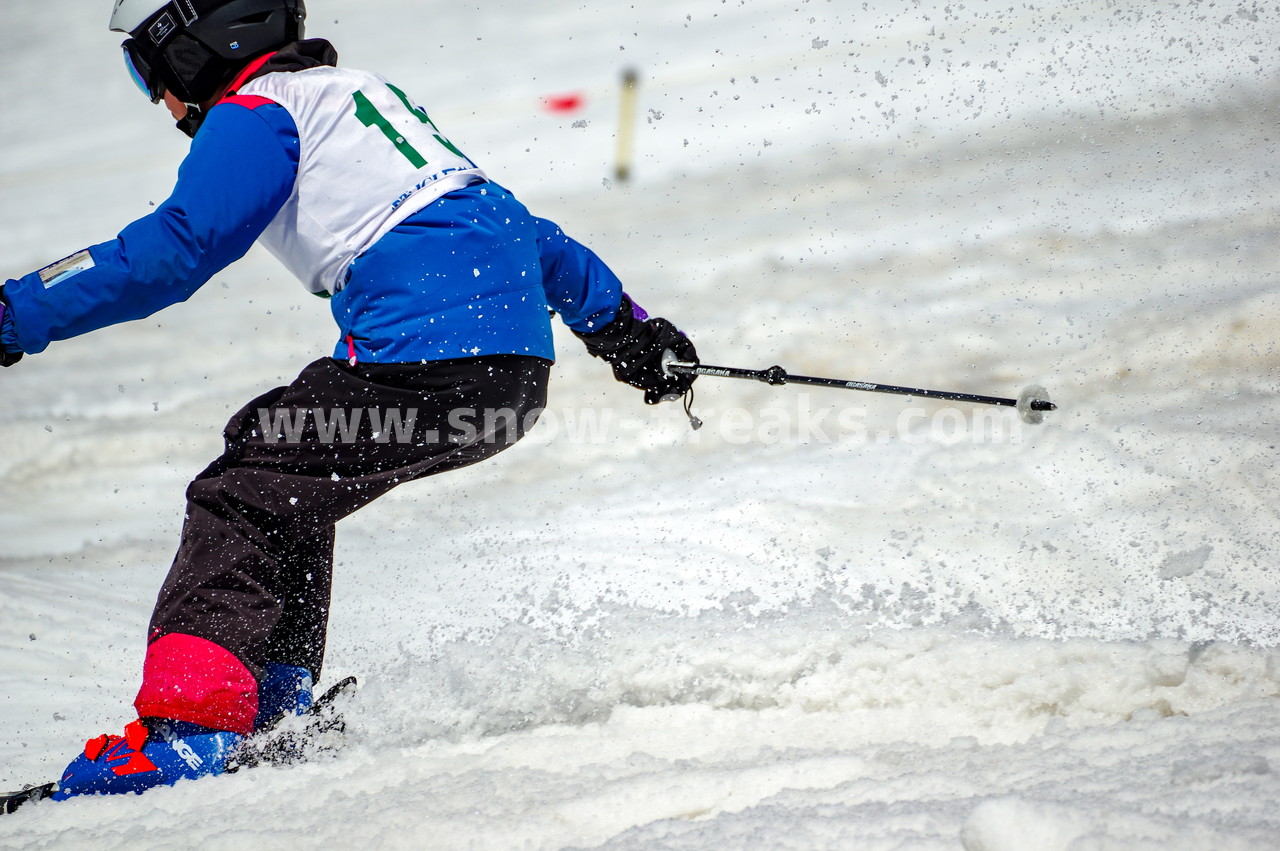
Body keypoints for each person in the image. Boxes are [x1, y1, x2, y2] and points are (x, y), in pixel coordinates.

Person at [0, 0, 697, 801]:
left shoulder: (258, 112)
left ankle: (191, 732)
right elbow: (524, 230)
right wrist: (629, 334)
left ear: (194, 47)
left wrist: (16, 312)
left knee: (241, 493)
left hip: (424, 368)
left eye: (148, 74)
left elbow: (176, 249)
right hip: (508, 384)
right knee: (279, 454)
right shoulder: (368, 101)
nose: (159, 101)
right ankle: (270, 699)